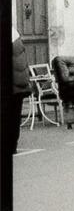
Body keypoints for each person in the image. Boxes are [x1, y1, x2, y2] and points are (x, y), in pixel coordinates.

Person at [11, 26, 31, 154]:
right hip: (20, 83)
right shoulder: (15, 36)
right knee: (14, 116)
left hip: (13, 83)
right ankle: (13, 146)